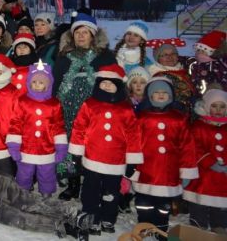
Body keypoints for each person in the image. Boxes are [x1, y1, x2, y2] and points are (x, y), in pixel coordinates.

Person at [67, 64, 143, 235]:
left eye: (111, 83)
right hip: (92, 158)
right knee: (90, 191)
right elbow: (79, 128)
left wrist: (132, 161)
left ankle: (108, 218)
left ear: (119, 85)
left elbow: (133, 135)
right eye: (104, 82)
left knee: (111, 193)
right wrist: (77, 154)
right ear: (98, 83)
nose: (107, 86)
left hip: (115, 161)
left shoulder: (125, 108)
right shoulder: (90, 104)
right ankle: (90, 217)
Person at [52, 12, 116, 201]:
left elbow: (113, 83)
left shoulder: (104, 57)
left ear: (93, 35)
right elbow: (56, 82)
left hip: (94, 112)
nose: (80, 36)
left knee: (92, 147)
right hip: (68, 111)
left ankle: (91, 181)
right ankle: (72, 183)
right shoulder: (64, 57)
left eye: (85, 32)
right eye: (77, 32)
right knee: (71, 148)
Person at [132, 77, 198, 234]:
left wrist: (187, 170)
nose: (161, 95)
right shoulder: (142, 117)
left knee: (164, 204)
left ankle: (161, 227)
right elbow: (133, 142)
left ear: (171, 96)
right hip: (146, 169)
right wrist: (131, 165)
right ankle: (144, 224)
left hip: (169, 172)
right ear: (149, 96)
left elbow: (187, 146)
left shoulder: (179, 119)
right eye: (156, 92)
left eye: (164, 93)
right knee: (143, 201)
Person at [7, 61, 67, 197]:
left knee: (46, 173)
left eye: (41, 82)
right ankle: (23, 192)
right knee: (24, 173)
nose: (37, 85)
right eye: (34, 82)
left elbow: (58, 126)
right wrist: (14, 146)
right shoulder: (22, 101)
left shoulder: (54, 104)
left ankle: (46, 193)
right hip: (26, 149)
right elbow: (15, 124)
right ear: (29, 83)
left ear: (48, 84)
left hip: (47, 149)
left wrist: (61, 148)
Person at [183, 89, 227, 233]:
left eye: (222, 106)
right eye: (214, 106)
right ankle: (198, 224)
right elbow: (195, 146)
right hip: (203, 174)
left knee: (221, 202)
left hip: (223, 176)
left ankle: (219, 225)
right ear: (207, 107)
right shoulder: (199, 126)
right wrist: (210, 161)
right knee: (199, 201)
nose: (218, 110)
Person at [148, 41, 197, 114]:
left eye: (173, 54)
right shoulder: (159, 76)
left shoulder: (185, 71)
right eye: (165, 55)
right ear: (158, 59)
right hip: (173, 114)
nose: (169, 57)